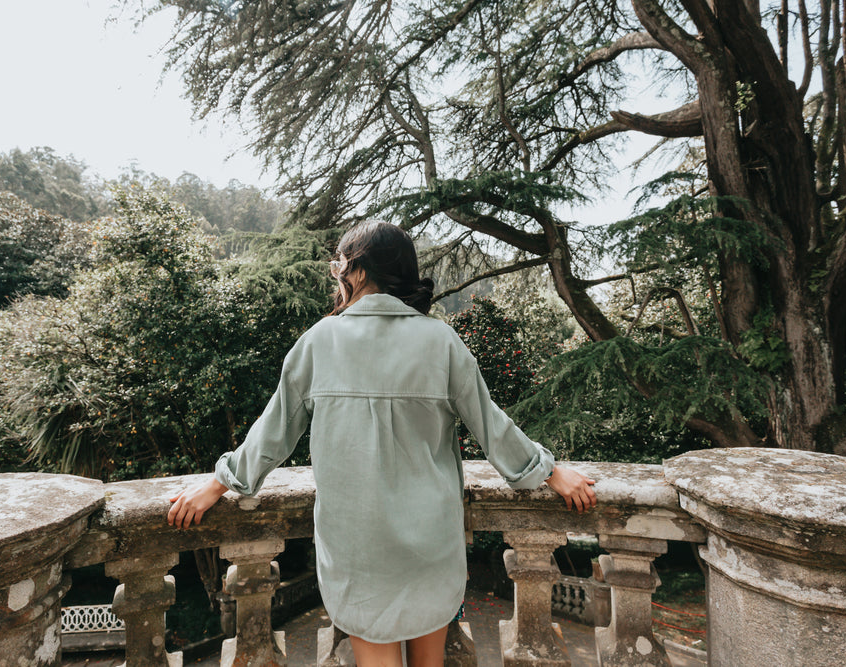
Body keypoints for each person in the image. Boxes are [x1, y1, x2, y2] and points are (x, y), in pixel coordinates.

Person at [168, 221, 596, 666]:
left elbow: (271, 435)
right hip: (431, 541)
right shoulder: (441, 341)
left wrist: (218, 484)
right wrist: (550, 471)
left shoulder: (318, 342)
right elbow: (493, 428)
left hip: (358, 548)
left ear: (354, 271)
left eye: (340, 264)